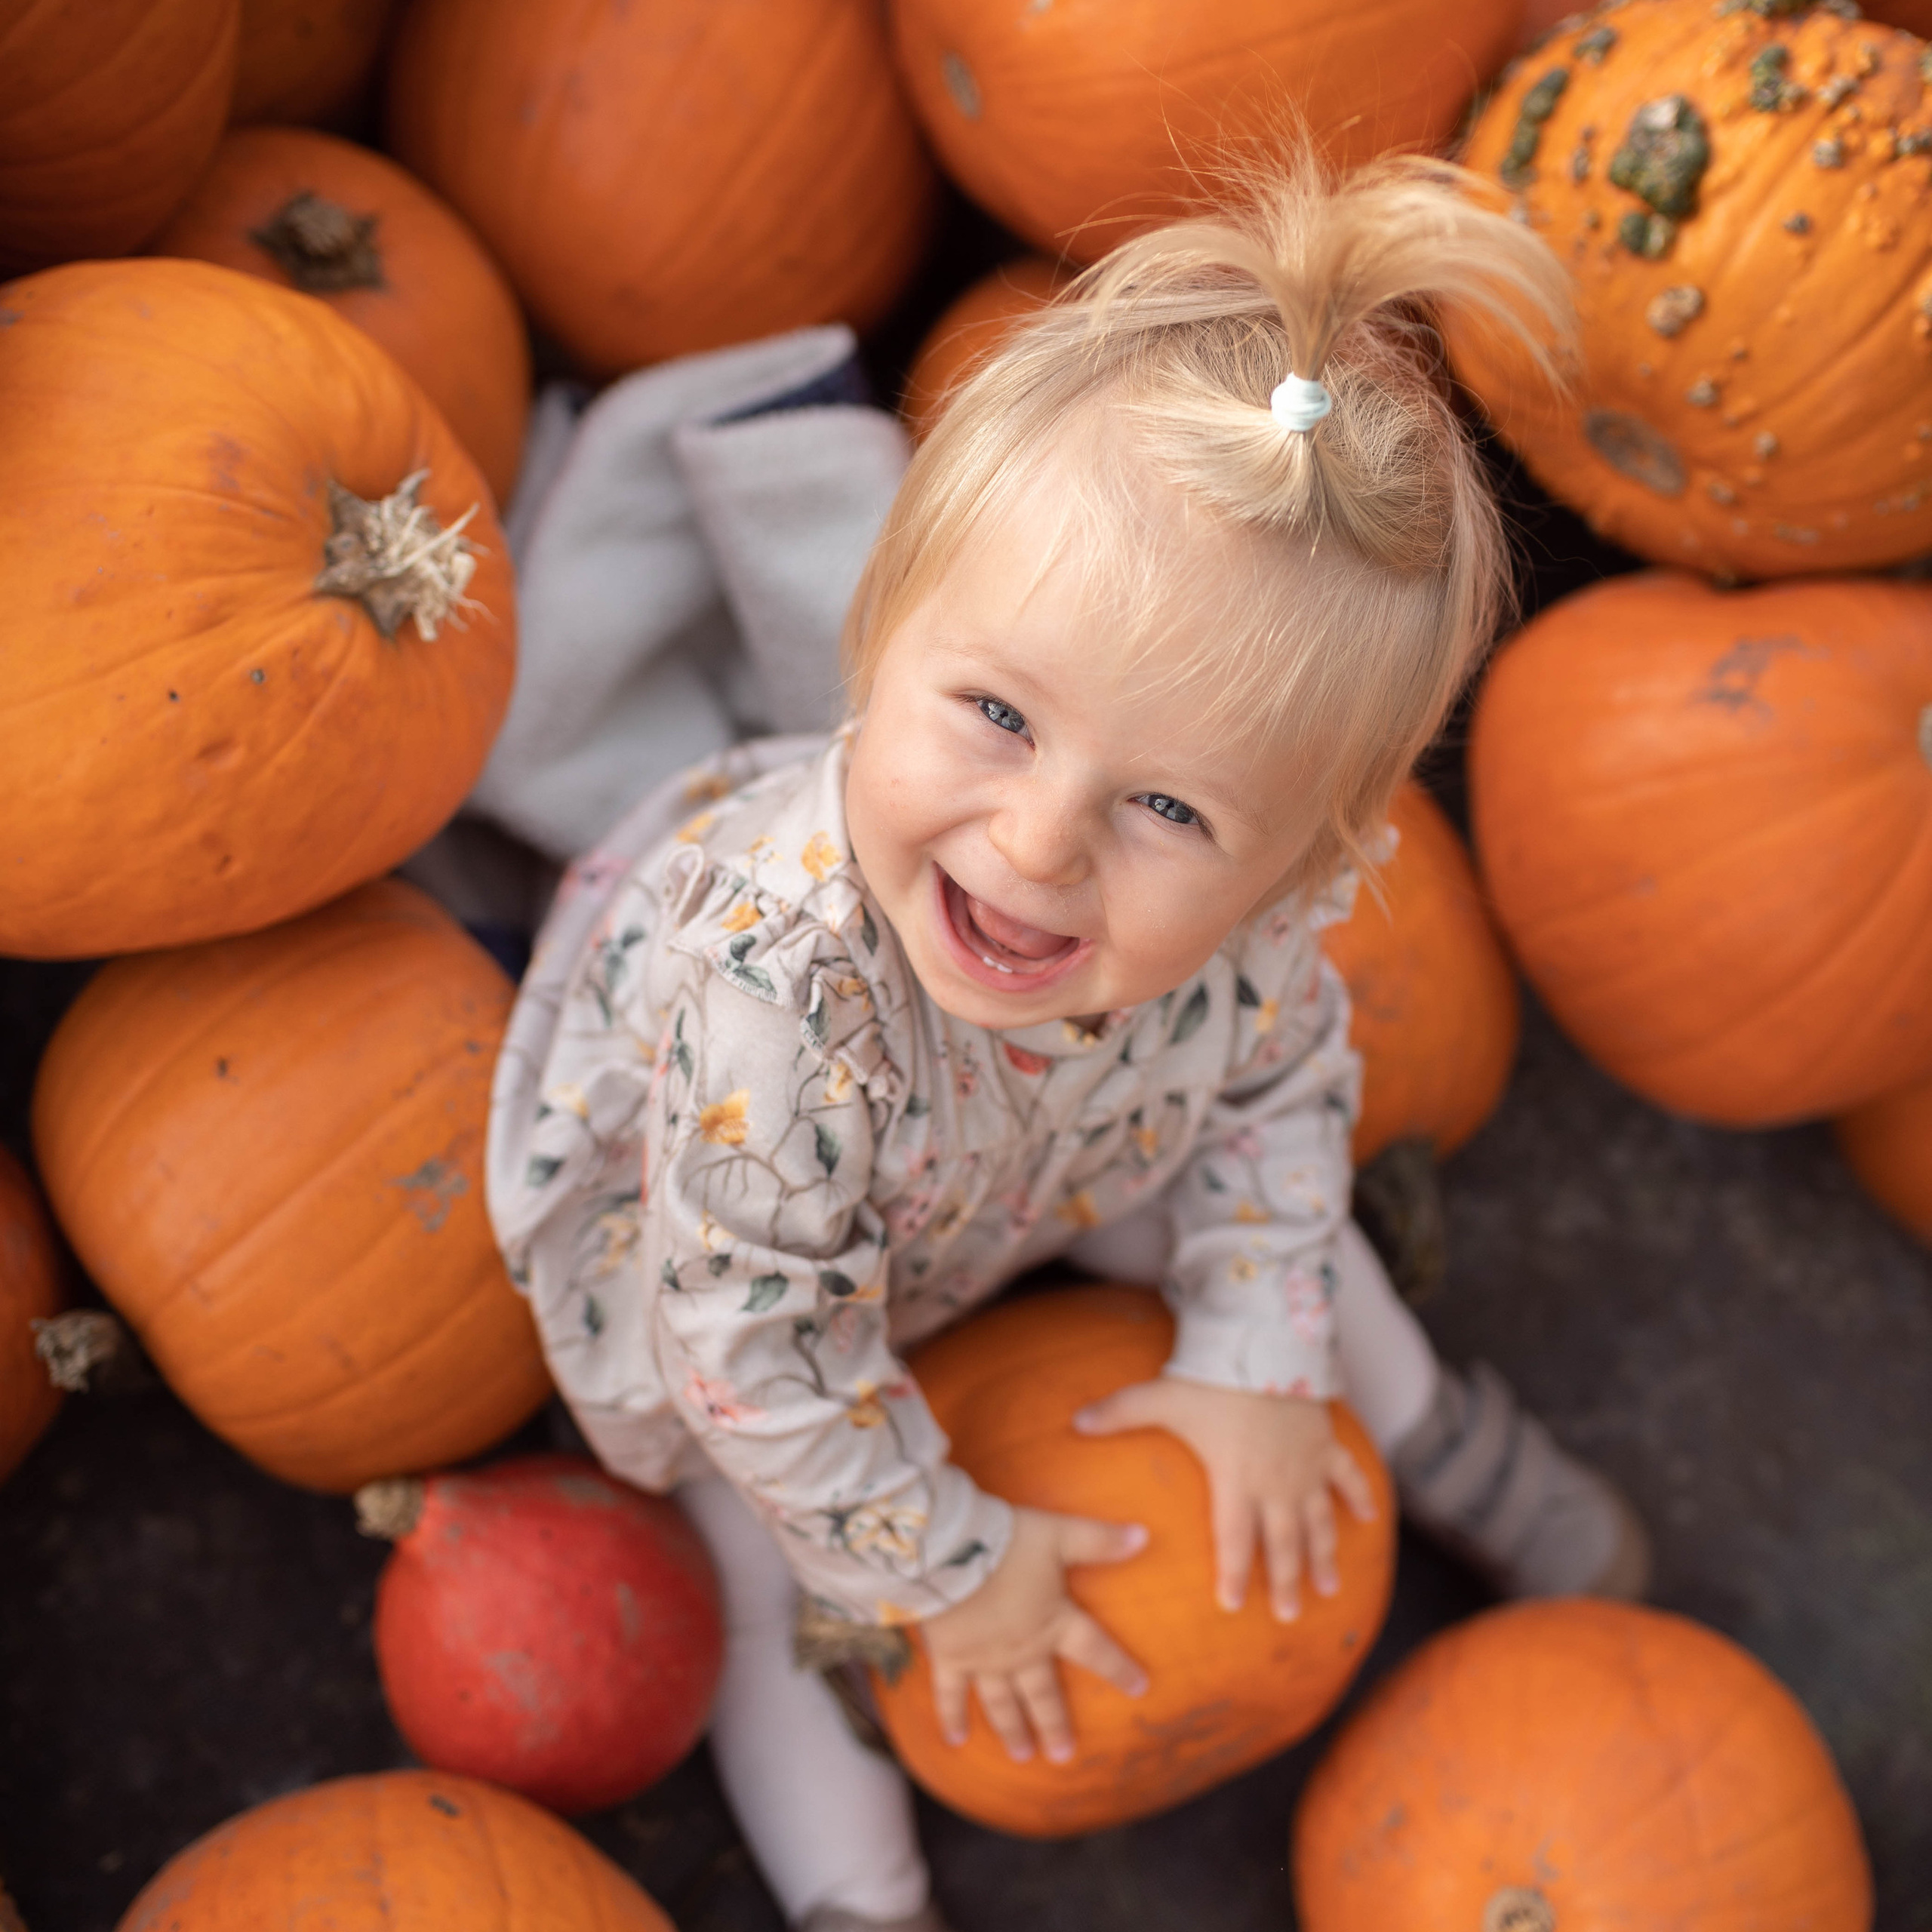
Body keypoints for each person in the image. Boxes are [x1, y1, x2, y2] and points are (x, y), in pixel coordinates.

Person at [488, 146, 1650, 1932]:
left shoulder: (1247, 940)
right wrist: (950, 1572)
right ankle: (851, 1893)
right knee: (746, 1534)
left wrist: (1256, 1342)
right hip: (733, 1260)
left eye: (1170, 807)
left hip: (1030, 1146)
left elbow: (1274, 1096)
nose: (1036, 841)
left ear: (1310, 861)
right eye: (994, 713)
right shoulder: (776, 991)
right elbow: (756, 1360)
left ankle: (1421, 1434)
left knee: (1288, 1233)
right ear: (879, 638)